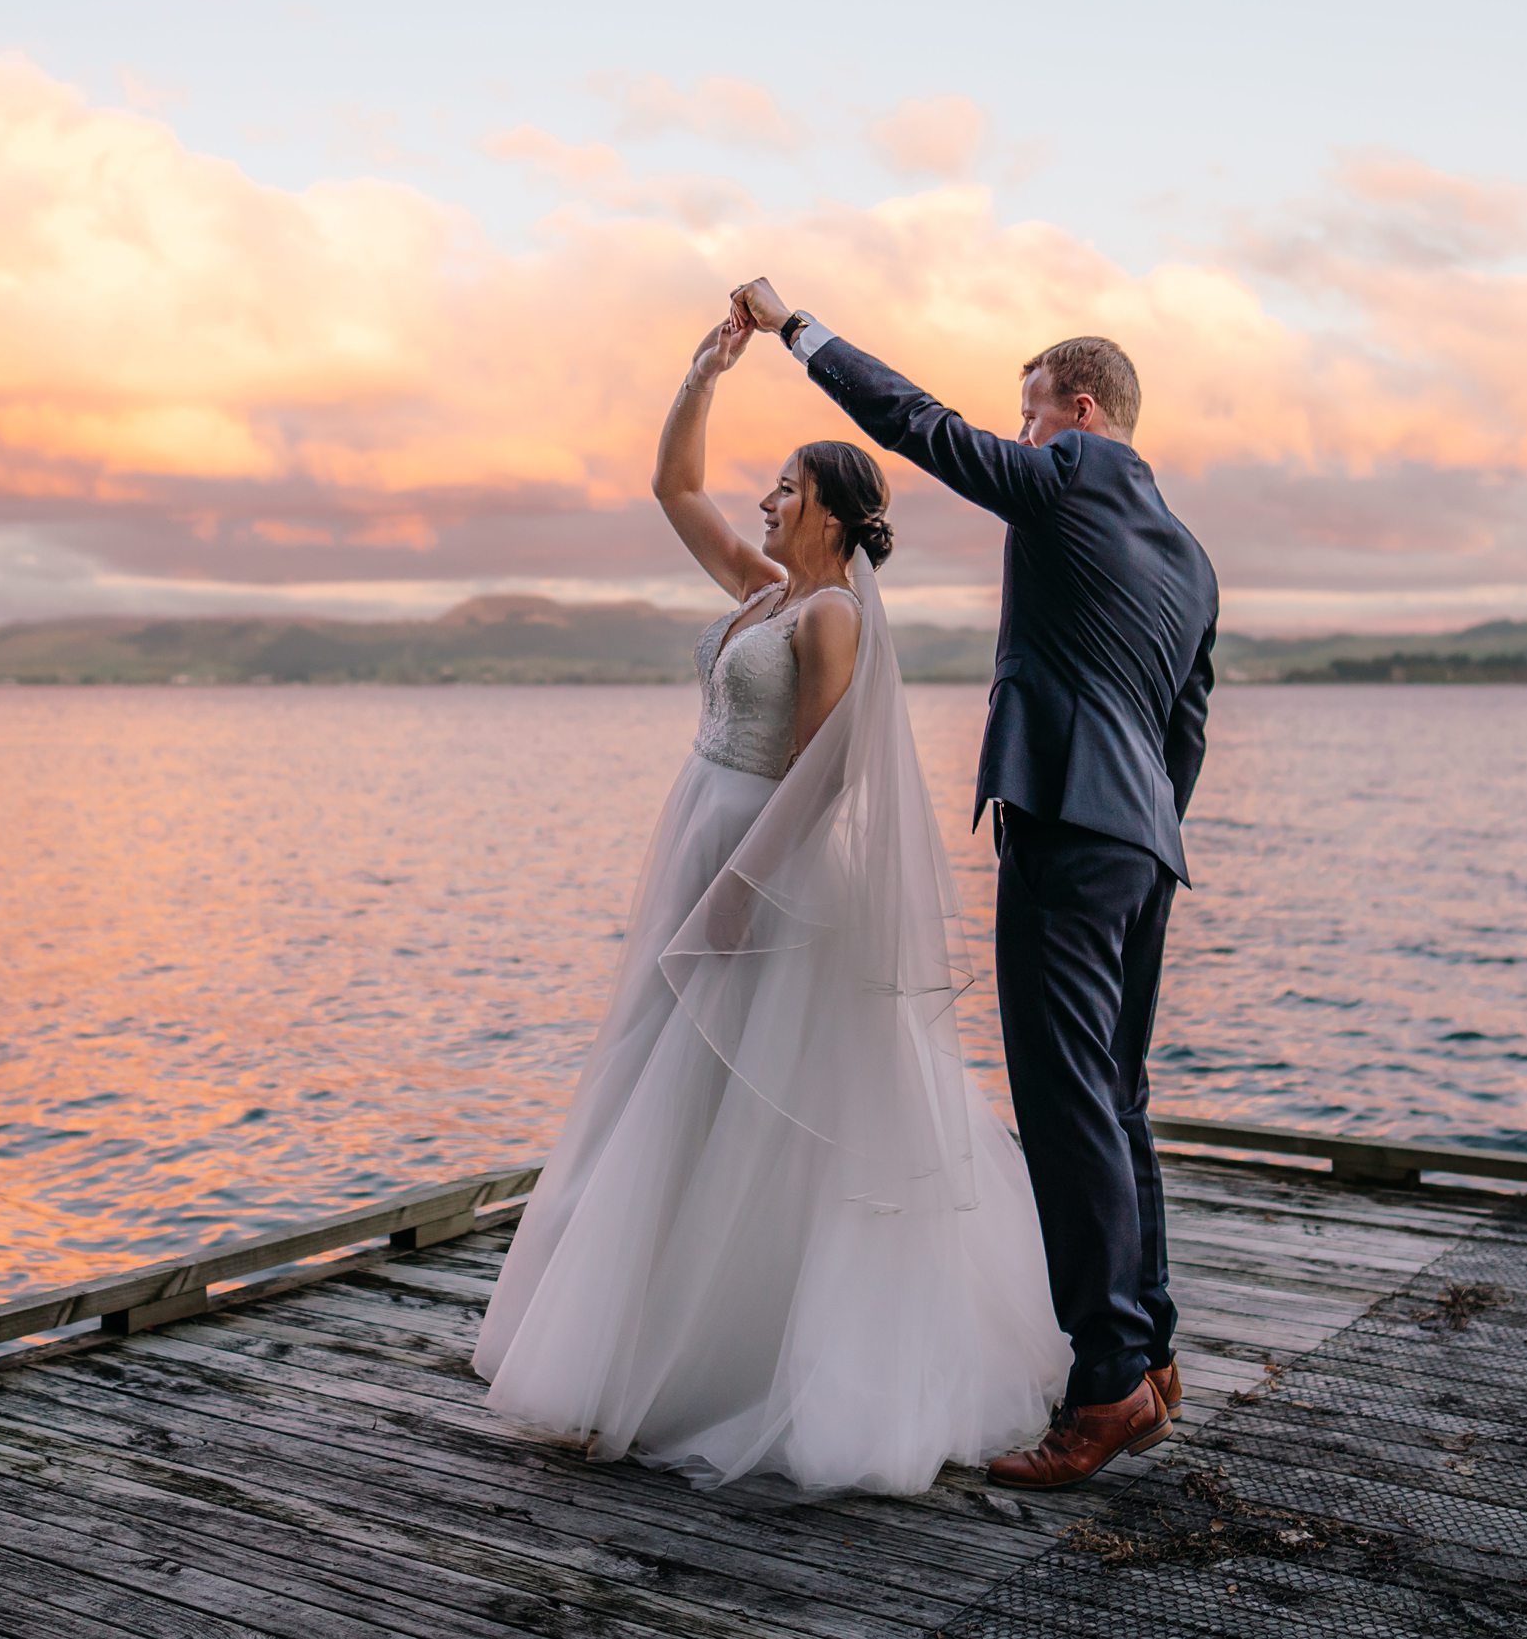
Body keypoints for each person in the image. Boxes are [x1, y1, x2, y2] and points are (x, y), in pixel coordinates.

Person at [472, 313, 1068, 1494]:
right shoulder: (762, 592)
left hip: (769, 877)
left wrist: (745, 894)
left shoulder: (832, 616)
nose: (763, 503)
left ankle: (711, 1361)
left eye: (785, 488)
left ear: (833, 512)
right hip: (699, 846)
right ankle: (638, 1346)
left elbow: (824, 775)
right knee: (663, 1086)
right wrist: (701, 374)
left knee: (743, 1104)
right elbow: (672, 485)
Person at [729, 277, 1220, 1491]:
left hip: (1068, 827)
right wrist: (1142, 826)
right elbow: (1188, 729)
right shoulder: (1194, 559)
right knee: (1118, 1098)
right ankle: (1148, 1356)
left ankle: (1104, 1386)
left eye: (1034, 412)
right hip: (1144, 842)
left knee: (1064, 1107)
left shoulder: (1073, 475)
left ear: (1084, 411)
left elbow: (920, 427)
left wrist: (801, 332)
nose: (1023, 435)